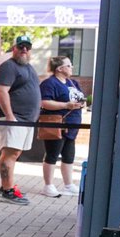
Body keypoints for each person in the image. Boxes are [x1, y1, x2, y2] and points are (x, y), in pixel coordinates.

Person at [0, 34, 41, 205]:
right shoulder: (8, 67)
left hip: (26, 119)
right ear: (14, 48)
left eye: (27, 47)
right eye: (20, 47)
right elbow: (1, 91)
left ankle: (7, 185)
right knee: (10, 153)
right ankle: (8, 190)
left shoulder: (28, 67)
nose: (24, 50)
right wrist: (10, 116)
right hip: (15, 118)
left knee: (15, 153)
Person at [38, 55, 86, 197]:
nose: (72, 68)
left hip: (72, 124)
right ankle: (48, 185)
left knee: (69, 155)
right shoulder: (49, 83)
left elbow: (80, 97)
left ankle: (69, 184)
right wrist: (66, 105)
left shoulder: (72, 82)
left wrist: (81, 103)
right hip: (57, 124)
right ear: (59, 68)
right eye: (69, 65)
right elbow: (44, 102)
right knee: (52, 154)